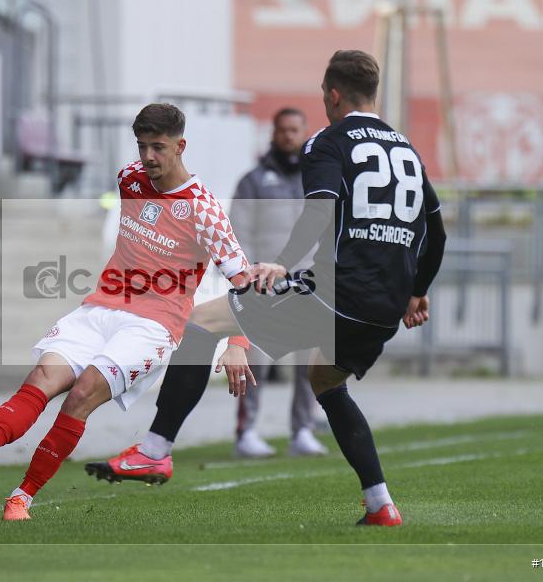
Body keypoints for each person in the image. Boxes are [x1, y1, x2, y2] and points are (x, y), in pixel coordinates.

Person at [87, 50, 447, 527]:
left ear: (332, 94)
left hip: (335, 292)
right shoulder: (407, 149)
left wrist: (282, 262)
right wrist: (417, 290)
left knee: (201, 321)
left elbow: (319, 211)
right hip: (383, 306)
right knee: (326, 381)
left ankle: (155, 450)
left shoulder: (327, 142)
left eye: (324, 95)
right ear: (374, 93)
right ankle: (381, 504)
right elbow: (436, 233)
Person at [0, 103, 252, 521]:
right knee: (41, 379)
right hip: (101, 306)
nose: (148, 157)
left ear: (180, 146)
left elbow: (244, 283)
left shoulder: (204, 210)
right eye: (141, 146)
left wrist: (238, 341)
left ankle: (21, 497)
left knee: (81, 394)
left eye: (158, 147)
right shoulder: (129, 178)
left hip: (154, 325)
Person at [229, 107, 328, 458]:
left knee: (310, 363)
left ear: (304, 133)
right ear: (273, 133)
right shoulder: (253, 181)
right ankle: (246, 433)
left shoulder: (317, 179)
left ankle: (302, 429)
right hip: (265, 285)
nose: (288, 135)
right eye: (282, 129)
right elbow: (238, 231)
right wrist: (252, 274)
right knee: (257, 362)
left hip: (308, 284)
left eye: (295, 129)